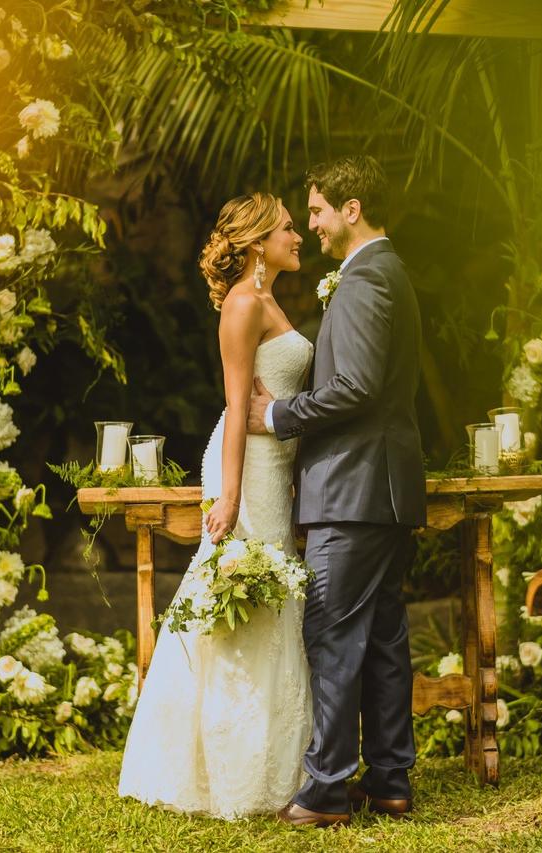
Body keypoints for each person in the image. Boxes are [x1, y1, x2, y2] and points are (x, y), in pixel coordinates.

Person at [118, 192, 315, 819]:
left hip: (272, 464)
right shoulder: (242, 305)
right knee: (243, 597)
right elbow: (236, 408)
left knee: (274, 596)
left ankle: (279, 766)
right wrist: (229, 497)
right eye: (288, 228)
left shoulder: (272, 301)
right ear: (257, 241)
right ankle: (220, 770)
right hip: (243, 468)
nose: (298, 235)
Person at [248, 155, 427, 828]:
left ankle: (324, 789)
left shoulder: (362, 283)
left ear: (352, 209)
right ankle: (390, 780)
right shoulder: (391, 275)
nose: (314, 223)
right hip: (381, 491)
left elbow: (355, 388)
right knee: (381, 639)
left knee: (332, 637)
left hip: (352, 492)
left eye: (319, 209)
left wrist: (277, 416)